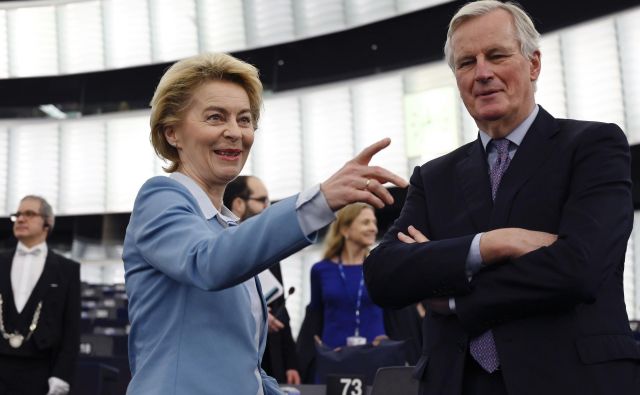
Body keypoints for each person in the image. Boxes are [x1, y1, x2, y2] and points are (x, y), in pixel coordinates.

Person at [363, 1, 640, 395]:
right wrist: (490, 246)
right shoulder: (433, 176)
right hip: (456, 382)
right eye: (466, 63)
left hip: (569, 380)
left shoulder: (594, 147)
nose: (482, 73)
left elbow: (580, 268)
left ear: (534, 64)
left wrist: (454, 294)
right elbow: (384, 275)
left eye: (496, 55)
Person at [123, 52, 407, 395]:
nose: (234, 132)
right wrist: (320, 200)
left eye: (244, 120)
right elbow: (208, 262)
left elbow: (241, 370)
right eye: (215, 117)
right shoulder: (160, 197)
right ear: (172, 133)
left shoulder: (227, 228)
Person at [223, 175, 302, 385]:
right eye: (262, 201)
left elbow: (282, 310)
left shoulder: (270, 251)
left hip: (272, 362)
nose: (268, 208)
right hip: (236, 366)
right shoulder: (219, 251)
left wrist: (291, 363)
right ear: (239, 204)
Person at [0, 195, 80, 395]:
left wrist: (62, 375)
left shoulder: (67, 269)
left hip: (41, 372)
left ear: (48, 223)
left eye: (29, 214)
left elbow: (71, 328)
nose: (20, 219)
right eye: (17, 214)